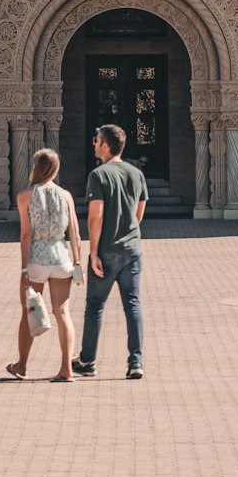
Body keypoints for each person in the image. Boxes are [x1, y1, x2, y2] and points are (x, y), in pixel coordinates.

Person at [72, 124, 148, 381]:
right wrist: (129, 231)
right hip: (132, 249)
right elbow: (139, 211)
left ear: (105, 145)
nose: (94, 144)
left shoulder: (99, 175)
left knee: (95, 306)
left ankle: (87, 361)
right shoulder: (136, 173)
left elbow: (96, 217)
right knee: (133, 304)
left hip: (107, 252)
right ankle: (136, 362)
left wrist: (93, 253)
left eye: (96, 140)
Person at [6, 148, 82, 382]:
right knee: (62, 312)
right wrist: (77, 262)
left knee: (29, 310)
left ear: (36, 167)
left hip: (37, 258)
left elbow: (26, 235)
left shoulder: (25, 196)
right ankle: (67, 368)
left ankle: (21, 366)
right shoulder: (66, 195)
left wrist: (23, 269)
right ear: (56, 169)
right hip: (61, 257)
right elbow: (75, 233)